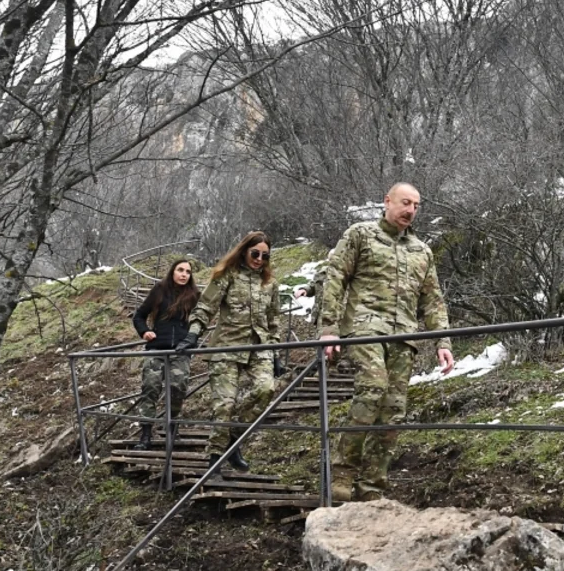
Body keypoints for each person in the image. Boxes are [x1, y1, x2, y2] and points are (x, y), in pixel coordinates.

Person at [296, 182, 455, 502]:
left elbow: (433, 299)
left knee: (393, 411)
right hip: (364, 328)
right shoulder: (360, 235)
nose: (410, 210)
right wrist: (328, 330)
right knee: (373, 386)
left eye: (416, 206)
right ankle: (341, 472)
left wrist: (443, 341)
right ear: (387, 202)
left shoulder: (421, 251)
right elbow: (335, 278)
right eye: (405, 203)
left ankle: (373, 484)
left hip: (404, 336)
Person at [176, 231, 281, 473]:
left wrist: (275, 351)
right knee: (224, 404)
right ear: (244, 251)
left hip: (259, 347)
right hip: (227, 346)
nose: (259, 259)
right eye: (255, 253)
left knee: (266, 389)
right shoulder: (227, 276)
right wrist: (193, 334)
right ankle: (215, 456)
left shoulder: (270, 283)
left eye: (265, 255)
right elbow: (205, 307)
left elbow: (273, 319)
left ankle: (233, 438)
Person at [130, 259, 199, 450]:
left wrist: (191, 339)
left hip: (181, 350)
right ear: (173, 271)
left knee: (178, 388)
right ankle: (145, 436)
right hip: (157, 348)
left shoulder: (193, 295)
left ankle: (171, 429)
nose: (184, 274)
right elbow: (139, 315)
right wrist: (144, 331)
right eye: (180, 270)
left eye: (187, 271)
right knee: (150, 387)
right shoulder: (159, 290)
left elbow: (200, 319)